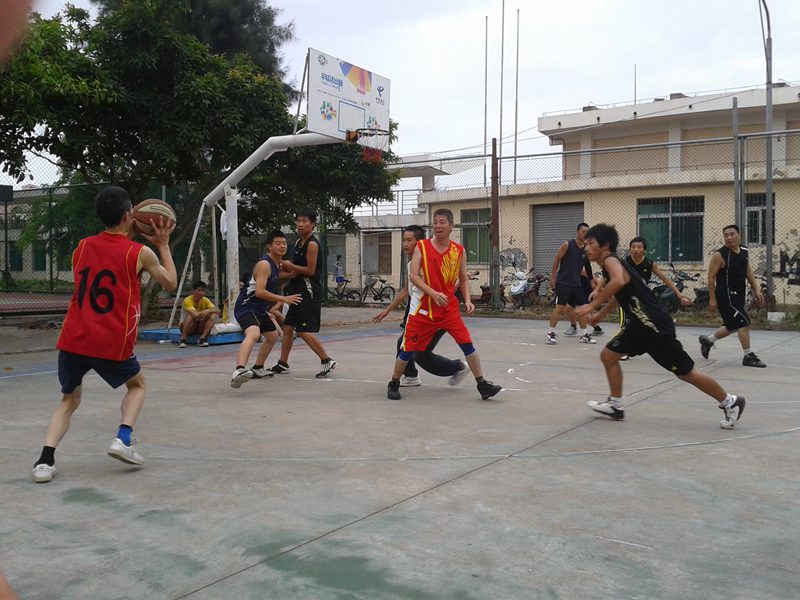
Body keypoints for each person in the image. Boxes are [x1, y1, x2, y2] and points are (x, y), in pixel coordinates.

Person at [32, 186, 177, 483]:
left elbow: (103, 264)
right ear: (128, 216)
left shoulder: (82, 247)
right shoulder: (139, 252)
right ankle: (122, 438)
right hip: (111, 339)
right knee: (137, 385)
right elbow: (171, 283)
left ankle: (44, 461)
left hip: (74, 337)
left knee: (69, 400)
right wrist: (163, 245)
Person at [575, 224, 746, 429]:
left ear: (605, 245)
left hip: (654, 326)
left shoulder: (611, 260)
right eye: (585, 244)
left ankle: (730, 401)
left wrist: (591, 306)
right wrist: (600, 315)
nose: (586, 247)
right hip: (639, 327)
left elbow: (618, 281)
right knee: (608, 355)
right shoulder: (612, 264)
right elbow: (620, 293)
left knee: (686, 372)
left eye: (591, 243)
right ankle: (616, 405)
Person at [385, 209, 502, 401]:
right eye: (435, 222)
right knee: (407, 348)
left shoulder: (459, 250)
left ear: (451, 226)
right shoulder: (422, 247)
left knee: (468, 345)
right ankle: (394, 383)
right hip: (424, 309)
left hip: (448, 309)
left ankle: (482, 384)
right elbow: (413, 277)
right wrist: (432, 293)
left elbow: (463, 278)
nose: (438, 226)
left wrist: (468, 300)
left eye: (442, 222)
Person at [372, 225, 468, 388]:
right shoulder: (412, 264)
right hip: (419, 314)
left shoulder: (431, 262)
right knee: (412, 350)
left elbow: (444, 284)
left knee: (416, 352)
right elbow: (405, 290)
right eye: (404, 240)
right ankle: (414, 375)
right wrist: (387, 309)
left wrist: (459, 281)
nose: (405, 244)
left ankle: (457, 368)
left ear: (420, 243)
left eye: (409, 240)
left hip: (435, 315)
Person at [230, 230, 302, 388]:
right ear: (269, 246)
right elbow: (259, 292)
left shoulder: (276, 265)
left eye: (284, 243)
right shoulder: (264, 264)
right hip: (247, 306)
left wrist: (292, 272)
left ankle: (257, 368)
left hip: (260, 308)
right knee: (254, 334)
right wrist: (283, 298)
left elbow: (278, 276)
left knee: (272, 336)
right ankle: (239, 370)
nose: (282, 246)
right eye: (278, 243)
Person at [270, 210, 337, 378]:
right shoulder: (299, 242)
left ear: (313, 224)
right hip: (296, 288)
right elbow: (296, 270)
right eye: (298, 221)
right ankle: (283, 363)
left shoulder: (312, 244)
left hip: (308, 290)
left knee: (302, 330)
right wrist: (285, 269)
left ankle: (326, 360)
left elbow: (310, 270)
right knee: (288, 326)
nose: (300, 224)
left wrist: (289, 265)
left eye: (304, 221)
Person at [699, 225, 766, 368]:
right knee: (743, 323)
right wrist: (712, 299)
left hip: (739, 295)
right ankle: (748, 356)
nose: (729, 237)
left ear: (739, 235)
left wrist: (756, 289)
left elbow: (748, 270)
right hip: (726, 296)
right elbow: (711, 277)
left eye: (732, 234)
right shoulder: (720, 255)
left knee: (732, 325)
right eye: (726, 235)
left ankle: (708, 341)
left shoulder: (744, 251)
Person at [545, 223, 596, 345]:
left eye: (587, 232)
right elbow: (557, 259)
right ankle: (550, 333)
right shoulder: (567, 244)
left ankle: (584, 335)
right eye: (583, 231)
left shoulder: (586, 248)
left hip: (577, 283)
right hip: (563, 282)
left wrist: (591, 280)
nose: (585, 234)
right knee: (560, 307)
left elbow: (587, 265)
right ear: (577, 232)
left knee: (582, 308)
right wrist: (553, 278)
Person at [565, 256, 604, 337]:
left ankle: (597, 328)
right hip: (573, 286)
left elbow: (591, 276)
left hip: (583, 288)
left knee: (582, 311)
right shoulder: (570, 259)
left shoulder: (582, 267)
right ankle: (573, 326)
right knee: (569, 307)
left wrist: (598, 289)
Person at [179, 280, 220, 348]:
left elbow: (218, 311)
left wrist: (208, 311)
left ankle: (202, 339)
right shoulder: (187, 300)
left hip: (199, 326)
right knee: (191, 316)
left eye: (203, 291)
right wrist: (205, 312)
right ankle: (183, 339)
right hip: (187, 327)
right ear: (193, 291)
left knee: (213, 315)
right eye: (199, 290)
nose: (201, 293)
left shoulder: (205, 300)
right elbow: (195, 314)